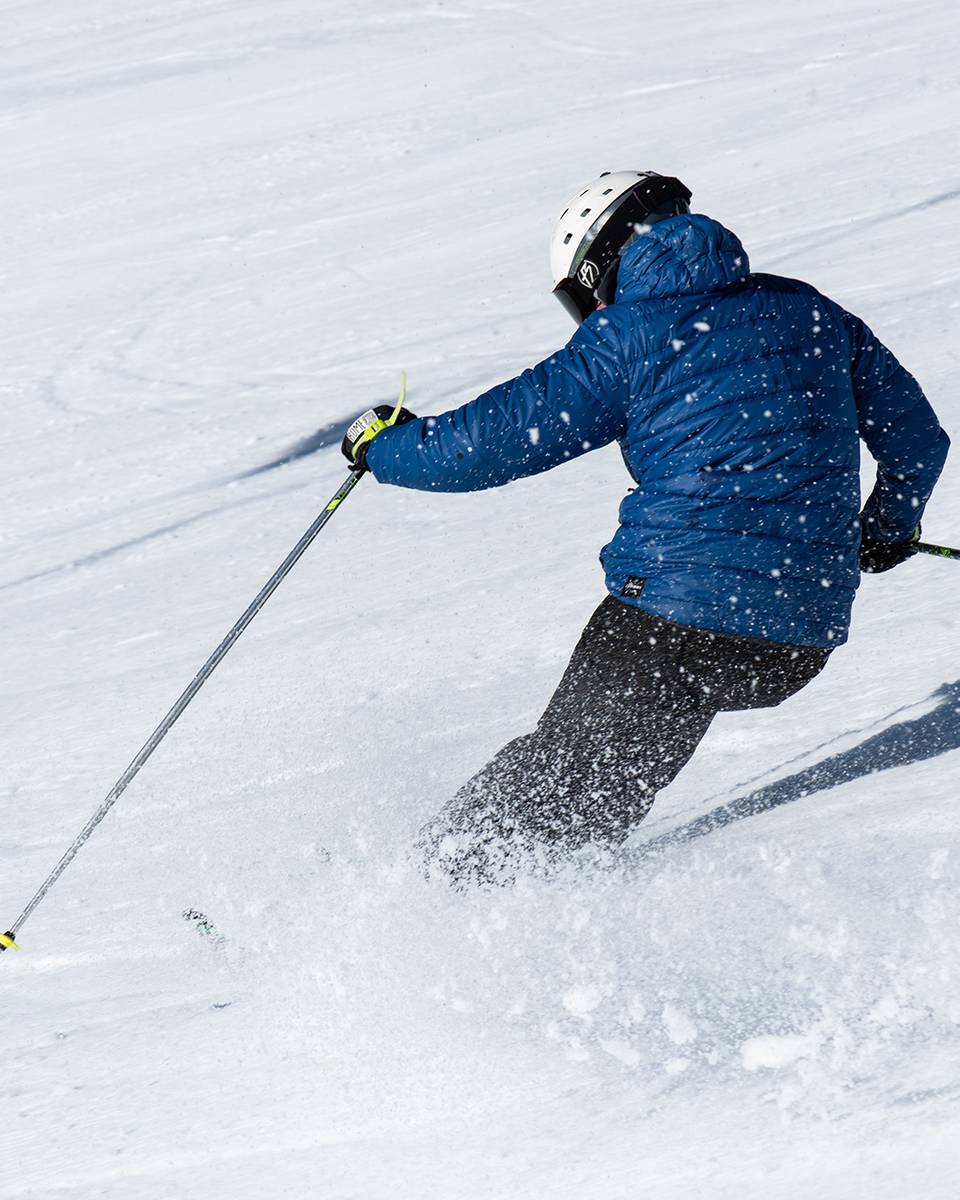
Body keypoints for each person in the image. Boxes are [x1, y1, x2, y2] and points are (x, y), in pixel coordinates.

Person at [342, 170, 949, 885]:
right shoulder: (808, 312)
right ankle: (512, 910)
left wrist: (384, 445)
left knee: (561, 777)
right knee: (596, 788)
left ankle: (419, 903)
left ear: (601, 264)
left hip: (676, 613)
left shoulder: (630, 335)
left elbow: (490, 444)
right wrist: (885, 527)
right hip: (797, 631)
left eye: (580, 294)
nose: (589, 310)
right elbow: (917, 440)